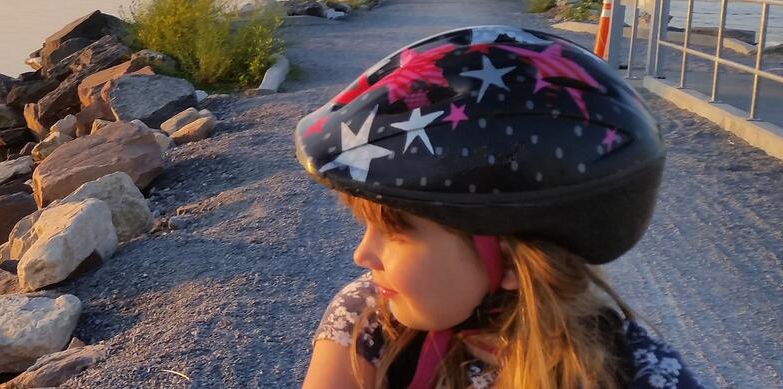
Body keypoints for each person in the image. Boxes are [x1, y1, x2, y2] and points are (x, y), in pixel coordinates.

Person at [295, 26, 705, 388]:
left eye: (396, 231)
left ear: (511, 262)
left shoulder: (637, 375)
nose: (362, 254)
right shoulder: (370, 320)